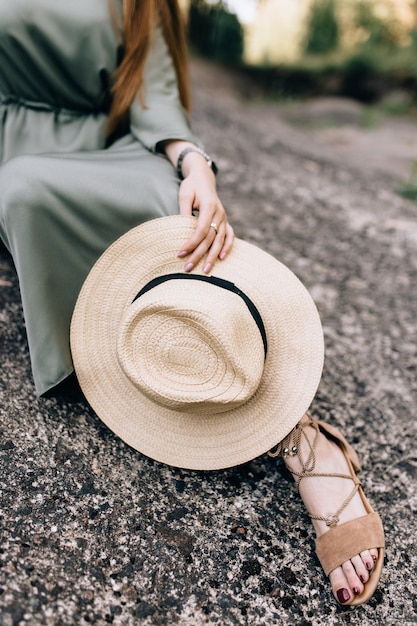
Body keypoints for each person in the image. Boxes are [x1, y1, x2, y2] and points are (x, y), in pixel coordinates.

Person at [0, 0, 384, 607]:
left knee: (174, 214)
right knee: (20, 186)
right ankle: (141, 360)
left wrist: (194, 163)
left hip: (113, 146)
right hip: (11, 150)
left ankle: (293, 430)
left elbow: (151, 91)